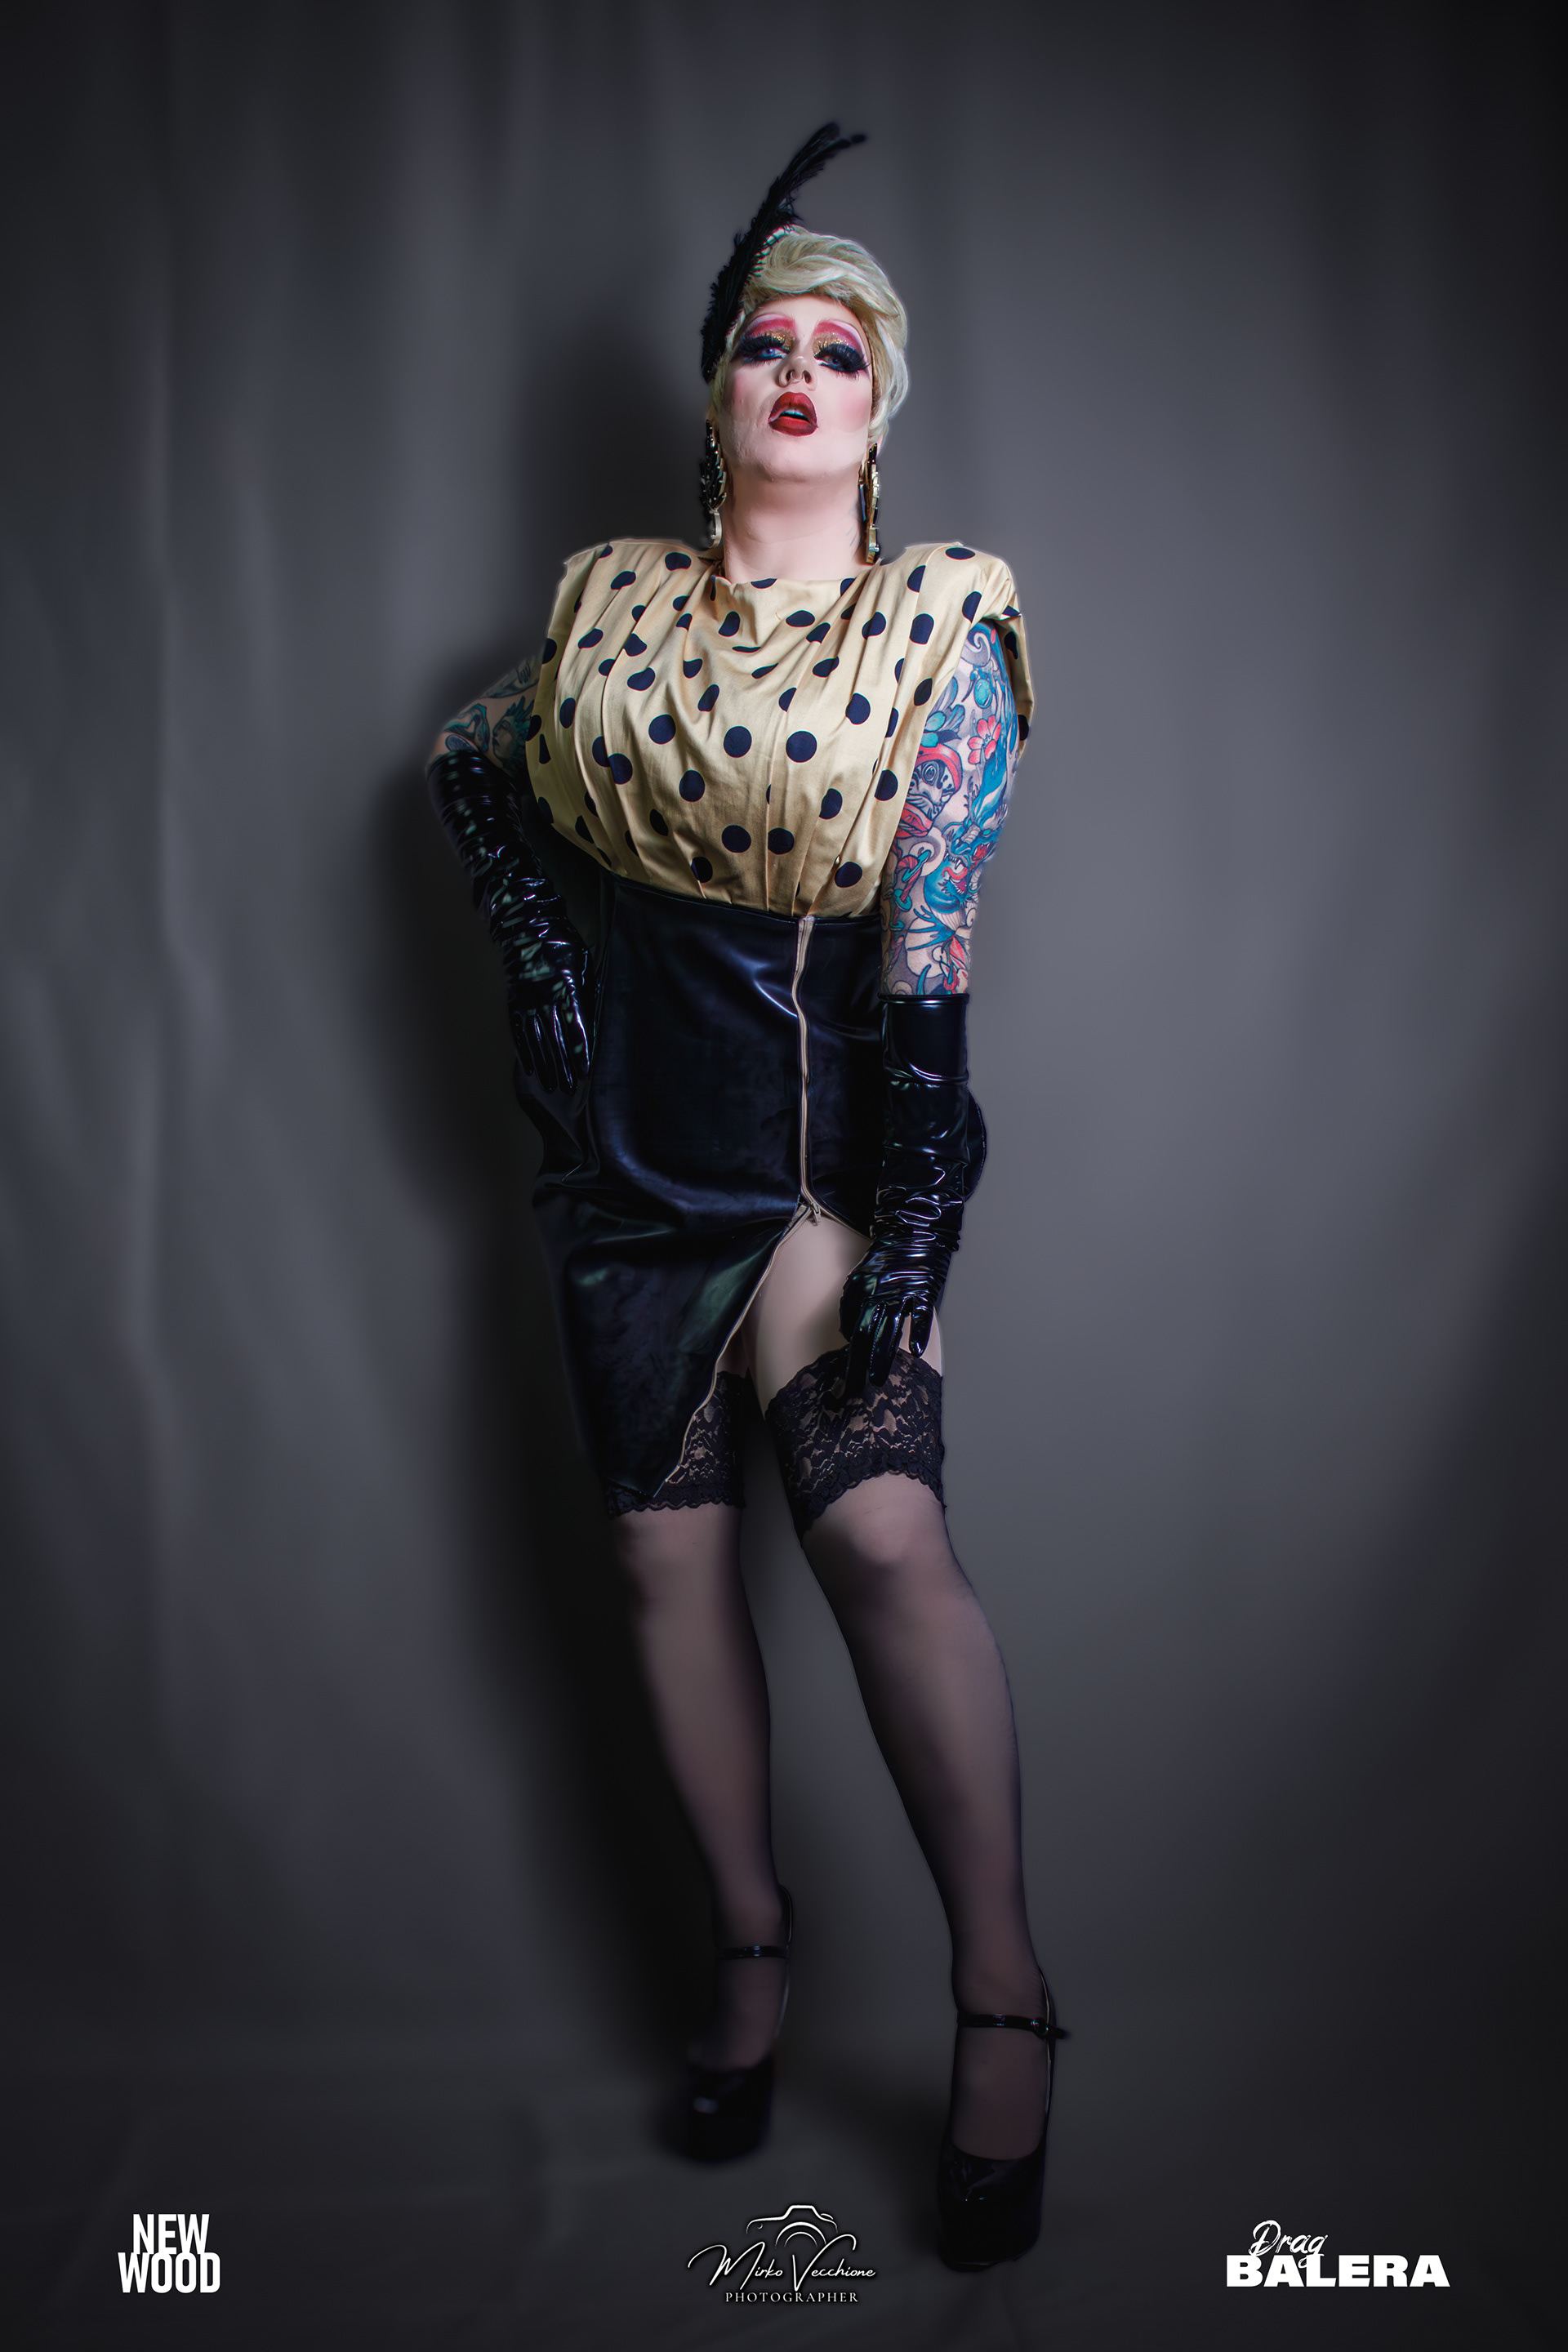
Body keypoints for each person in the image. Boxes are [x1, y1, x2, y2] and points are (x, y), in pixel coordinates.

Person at [427, 125, 1064, 2270]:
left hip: (820, 1159)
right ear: (719, 391)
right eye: (767, 346)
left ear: (884, 407)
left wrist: (919, 1212)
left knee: (877, 1533)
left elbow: (935, 954)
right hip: (629, 1162)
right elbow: (466, 762)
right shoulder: (608, 605)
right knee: (661, 1571)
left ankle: (1003, 1991)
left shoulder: (940, 617)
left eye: (839, 354)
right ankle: (752, 1949)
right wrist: (544, 968)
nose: (800, 376)